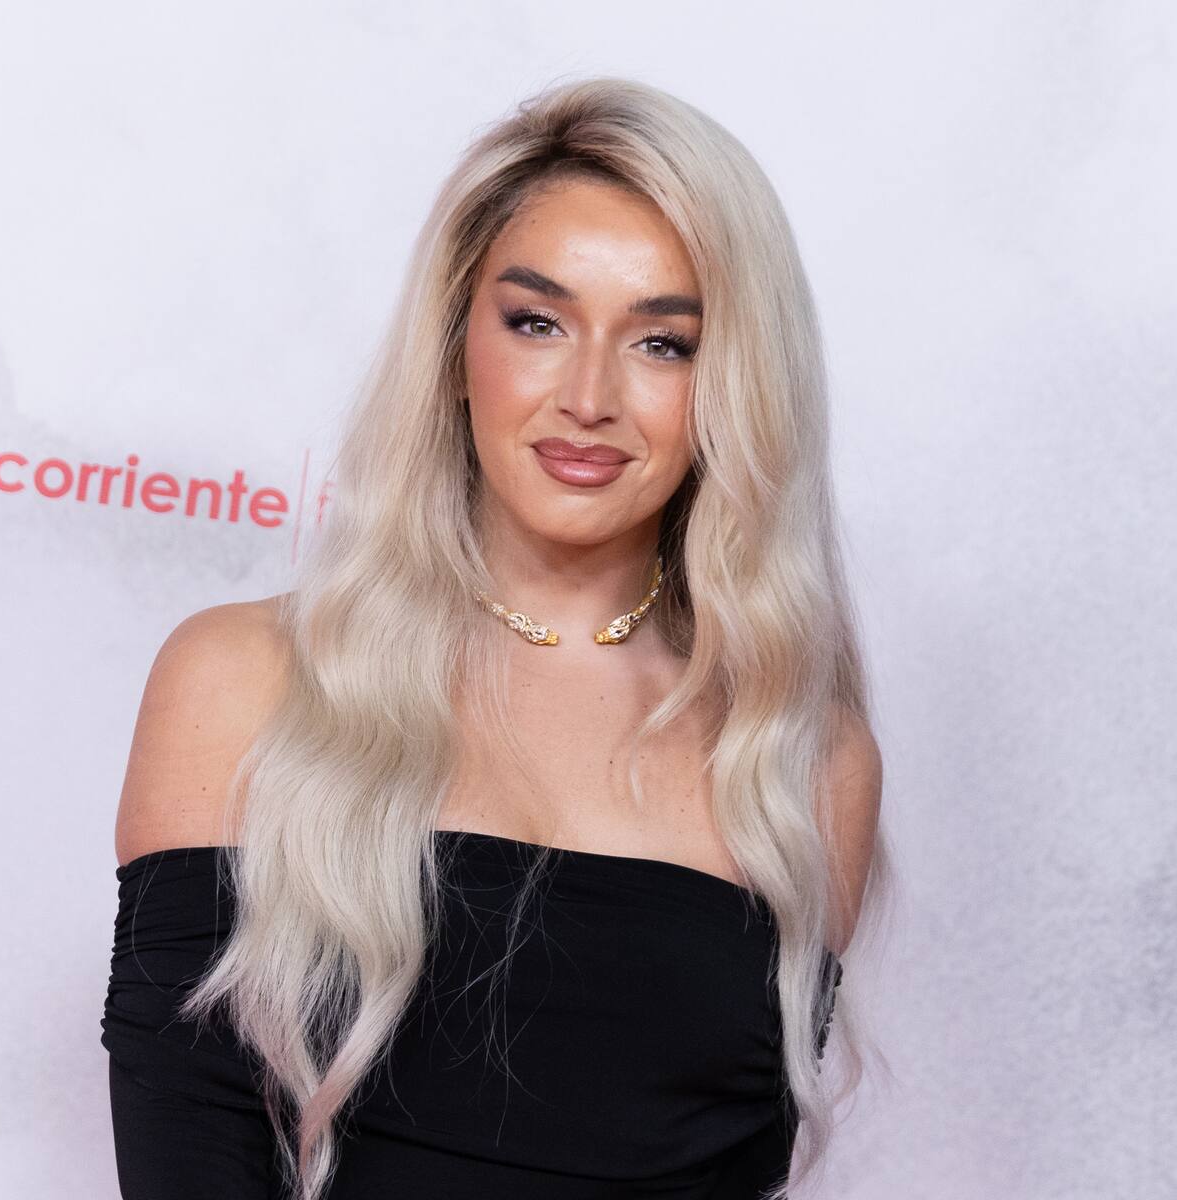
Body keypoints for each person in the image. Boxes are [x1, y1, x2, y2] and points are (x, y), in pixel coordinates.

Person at [101, 74, 887, 1200]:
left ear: (734, 387)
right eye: (537, 322)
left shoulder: (802, 758)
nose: (589, 395)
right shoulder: (242, 681)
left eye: (663, 343)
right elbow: (192, 1133)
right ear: (455, 347)